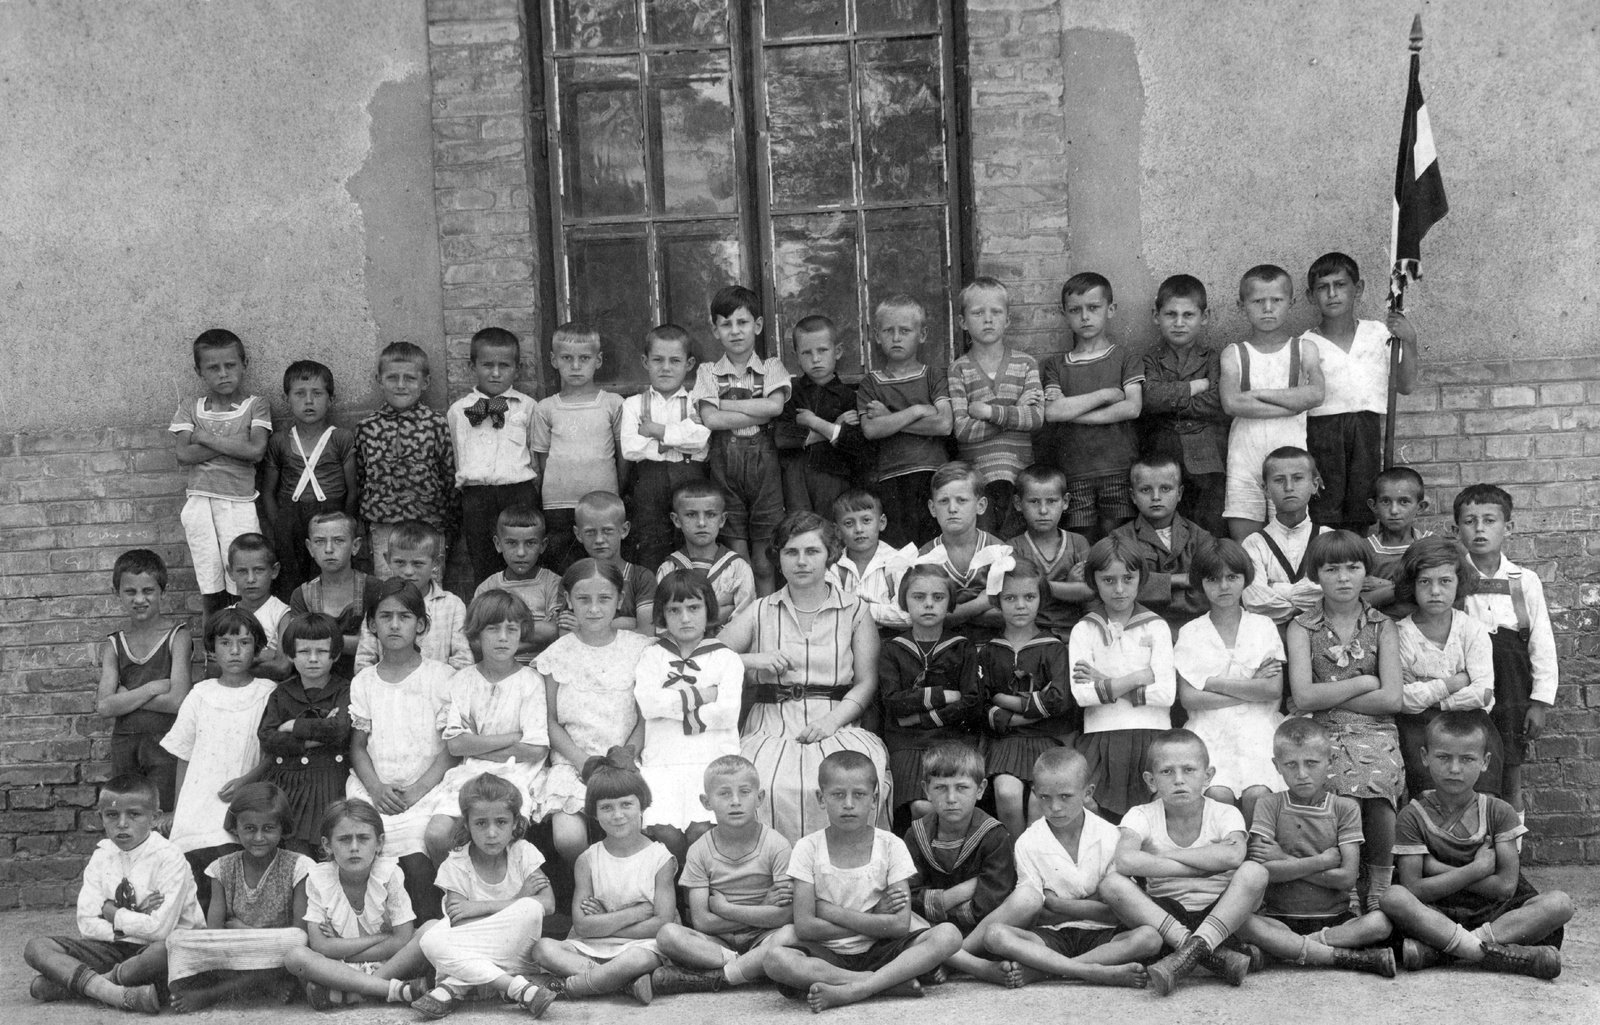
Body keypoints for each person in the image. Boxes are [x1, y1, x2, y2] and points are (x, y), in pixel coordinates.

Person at [720, 511, 892, 840]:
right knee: (765, 784)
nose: (801, 561)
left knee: (850, 785)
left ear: (830, 555)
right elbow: (706, 657)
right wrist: (754, 659)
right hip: (770, 725)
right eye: (791, 552)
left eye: (812, 552)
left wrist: (832, 722)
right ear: (779, 558)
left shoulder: (855, 610)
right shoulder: (759, 609)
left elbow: (866, 681)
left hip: (837, 722)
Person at [763, 750, 964, 1012]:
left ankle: (856, 990)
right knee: (775, 959)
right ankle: (879, 983)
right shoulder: (807, 848)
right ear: (820, 798)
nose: (848, 804)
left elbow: (899, 926)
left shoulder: (891, 845)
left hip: (881, 949)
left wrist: (828, 910)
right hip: (828, 954)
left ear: (874, 799)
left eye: (859, 794)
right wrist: (873, 918)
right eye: (837, 794)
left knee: (948, 935)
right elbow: (805, 927)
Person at [1381, 712, 1572, 978]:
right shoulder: (1412, 816)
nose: (1455, 768)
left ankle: (1447, 951)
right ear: (1425, 757)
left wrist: (1436, 868)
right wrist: (1477, 869)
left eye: (1467, 759)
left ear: (1485, 762)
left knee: (1560, 903)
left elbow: (1505, 887)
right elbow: (1415, 889)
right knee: (1393, 898)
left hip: (1495, 915)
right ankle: (1492, 954)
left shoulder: (1499, 811)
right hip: (1436, 913)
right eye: (1443, 757)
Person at [1286, 530, 1403, 914]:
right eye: (1331, 568)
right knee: (1339, 788)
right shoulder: (1302, 627)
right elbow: (1303, 696)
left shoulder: (1382, 625)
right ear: (1316, 575)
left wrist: (1334, 691)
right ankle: (1347, 884)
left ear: (1365, 572)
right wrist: (1364, 681)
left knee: (1380, 782)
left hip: (1376, 728)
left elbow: (1393, 698)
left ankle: (1380, 887)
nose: (1343, 577)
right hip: (1323, 730)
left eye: (1352, 567)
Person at [1099, 730, 1267, 996]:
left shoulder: (1225, 812)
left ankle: (1190, 952)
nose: (1179, 780)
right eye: (1167, 772)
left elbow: (1234, 855)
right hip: (1165, 916)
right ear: (1151, 781)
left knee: (1255, 871)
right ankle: (1203, 951)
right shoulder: (1141, 814)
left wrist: (1162, 857)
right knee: (1111, 883)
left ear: (1207, 776)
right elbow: (1125, 859)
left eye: (1189, 770)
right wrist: (1202, 867)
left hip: (1219, 912)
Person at [979, 748, 1160, 989]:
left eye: (1065, 796)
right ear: (1034, 793)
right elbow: (1036, 912)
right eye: (1045, 797)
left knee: (1150, 938)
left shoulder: (1110, 835)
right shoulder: (1028, 842)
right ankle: (1090, 971)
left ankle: (1046, 971)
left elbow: (1115, 912)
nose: (1055, 807)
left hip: (1103, 935)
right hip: (1051, 935)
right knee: (995, 935)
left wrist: (1058, 904)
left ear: (1088, 793)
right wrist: (1090, 903)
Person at [23, 774, 203, 1014]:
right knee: (36, 947)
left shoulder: (169, 858)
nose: (122, 824)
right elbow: (86, 923)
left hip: (154, 956)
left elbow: (160, 930)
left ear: (155, 818)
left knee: (164, 949)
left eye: (134, 814)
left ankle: (82, 985)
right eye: (112, 815)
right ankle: (115, 993)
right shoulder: (101, 856)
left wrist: (112, 913)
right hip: (115, 948)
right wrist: (136, 918)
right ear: (101, 818)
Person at [1236, 718, 1395, 976]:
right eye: (1291, 765)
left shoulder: (1344, 808)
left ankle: (1289, 950)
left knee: (1381, 923)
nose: (1301, 774)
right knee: (1241, 922)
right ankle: (1322, 952)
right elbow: (1263, 872)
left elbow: (1347, 878)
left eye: (1311, 763)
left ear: (1330, 761)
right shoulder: (1268, 804)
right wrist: (1320, 862)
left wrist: (1283, 858)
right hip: (1279, 919)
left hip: (1334, 919)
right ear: (1277, 766)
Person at [346, 579, 458, 922]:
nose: (394, 625)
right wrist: (377, 789)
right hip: (375, 789)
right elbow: (358, 746)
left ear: (421, 625)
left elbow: (451, 749)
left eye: (405, 617)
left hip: (426, 789)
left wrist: (415, 792)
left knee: (417, 866)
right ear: (372, 625)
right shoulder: (364, 680)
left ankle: (426, 951)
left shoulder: (442, 676)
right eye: (385, 616)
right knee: (365, 858)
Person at [532, 753, 679, 1005]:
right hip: (591, 946)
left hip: (641, 946)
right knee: (543, 948)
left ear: (642, 806)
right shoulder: (588, 860)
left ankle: (582, 984)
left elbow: (661, 923)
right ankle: (624, 982)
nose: (617, 815)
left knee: (637, 960)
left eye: (626, 805)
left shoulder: (660, 858)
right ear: (594, 814)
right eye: (606, 808)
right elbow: (583, 926)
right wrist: (634, 913)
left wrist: (604, 921)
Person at [535, 558, 655, 866]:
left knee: (633, 826)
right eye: (583, 599)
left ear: (620, 600)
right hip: (575, 763)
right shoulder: (556, 655)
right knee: (568, 837)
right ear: (568, 600)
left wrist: (628, 753)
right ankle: (586, 889)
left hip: (627, 759)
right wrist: (581, 761)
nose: (593, 609)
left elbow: (646, 715)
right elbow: (548, 720)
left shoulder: (641, 649)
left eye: (604, 599)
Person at [413, 773, 559, 1019]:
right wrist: (520, 898)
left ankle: (455, 986)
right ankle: (516, 987)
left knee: (530, 909)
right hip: (477, 948)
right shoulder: (457, 862)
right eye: (481, 823)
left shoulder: (523, 853)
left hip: (514, 949)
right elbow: (460, 922)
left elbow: (547, 905)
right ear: (467, 824)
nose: (491, 833)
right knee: (429, 939)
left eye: (501, 822)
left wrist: (484, 906)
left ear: (514, 823)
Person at [421, 589, 551, 864]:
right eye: (493, 629)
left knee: (499, 839)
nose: (503, 638)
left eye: (511, 629)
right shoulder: (463, 681)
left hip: (515, 777)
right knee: (436, 835)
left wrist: (477, 743)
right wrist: (513, 738)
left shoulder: (530, 681)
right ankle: (452, 891)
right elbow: (456, 745)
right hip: (470, 775)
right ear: (477, 634)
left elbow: (535, 750)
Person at [649, 755, 794, 996]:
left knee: (791, 934)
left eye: (745, 792)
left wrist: (726, 909)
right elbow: (702, 921)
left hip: (765, 937)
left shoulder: (777, 845)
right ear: (706, 802)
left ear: (760, 798)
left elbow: (786, 915)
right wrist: (762, 908)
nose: (735, 802)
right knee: (667, 935)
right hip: (719, 942)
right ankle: (750, 967)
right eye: (724, 794)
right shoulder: (700, 850)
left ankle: (718, 978)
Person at [161, 608, 277, 903]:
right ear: (212, 650)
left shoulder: (267, 693)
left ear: (257, 648)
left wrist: (246, 782)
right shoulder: (200, 694)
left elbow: (273, 754)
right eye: (225, 643)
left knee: (232, 865)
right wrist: (177, 809)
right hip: (198, 800)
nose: (235, 651)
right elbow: (184, 755)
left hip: (241, 798)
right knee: (194, 873)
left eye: (244, 643)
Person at [165, 783, 313, 1012]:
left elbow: (300, 933)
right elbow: (215, 934)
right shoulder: (221, 869)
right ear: (235, 828)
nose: (259, 837)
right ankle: (262, 984)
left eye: (269, 828)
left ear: (283, 828)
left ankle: (212, 994)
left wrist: (247, 930)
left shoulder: (299, 866)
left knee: (296, 943)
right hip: (234, 952)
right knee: (176, 941)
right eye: (250, 828)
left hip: (278, 953)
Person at [1456, 483, 1558, 814]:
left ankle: (1510, 857)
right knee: (1468, 770)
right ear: (1456, 528)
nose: (1480, 528)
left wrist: (1540, 703)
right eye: (1470, 521)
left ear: (1508, 527)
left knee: (1510, 775)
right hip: (1467, 686)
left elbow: (1542, 643)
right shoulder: (1451, 579)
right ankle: (1472, 853)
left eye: (1490, 520)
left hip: (1512, 687)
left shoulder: (1523, 580)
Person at [1302, 252, 1421, 533]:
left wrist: (1410, 340)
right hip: (1322, 430)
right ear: (1311, 296)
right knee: (1324, 504)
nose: (1332, 294)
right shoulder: (1306, 343)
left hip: (1365, 428)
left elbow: (1405, 385)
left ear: (1359, 289)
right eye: (1323, 287)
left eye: (1341, 285)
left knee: (1362, 501)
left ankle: (1358, 561)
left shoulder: (1378, 333)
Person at [633, 570, 745, 862]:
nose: (685, 618)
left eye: (693, 608)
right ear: (662, 614)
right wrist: (700, 696)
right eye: (674, 610)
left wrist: (671, 706)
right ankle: (673, 896)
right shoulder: (652, 656)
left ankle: (698, 895)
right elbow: (648, 704)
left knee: (700, 831)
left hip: (710, 758)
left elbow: (726, 713)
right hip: (663, 760)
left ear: (708, 608)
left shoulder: (726, 659)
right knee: (667, 834)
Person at [1174, 538, 1285, 825]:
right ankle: (1224, 862)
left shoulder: (1263, 626)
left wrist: (1212, 682)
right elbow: (1190, 699)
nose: (1223, 586)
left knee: (1258, 793)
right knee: (1217, 794)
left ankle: (1257, 861)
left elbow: (1272, 690)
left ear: (1245, 578)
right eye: (1213, 579)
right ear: (1200, 582)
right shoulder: (1191, 632)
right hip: (1209, 731)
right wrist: (1251, 688)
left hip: (1258, 729)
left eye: (1232, 577)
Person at [281, 799, 431, 1009]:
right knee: (295, 957)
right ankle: (390, 990)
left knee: (431, 929)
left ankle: (350, 993)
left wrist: (340, 947)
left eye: (363, 838)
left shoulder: (389, 874)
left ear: (379, 843)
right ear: (327, 845)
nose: (354, 847)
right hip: (338, 968)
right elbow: (320, 946)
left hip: (390, 964)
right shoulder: (318, 879)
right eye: (344, 839)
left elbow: (403, 939)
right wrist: (382, 937)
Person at [692, 284, 791, 594]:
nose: (735, 331)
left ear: (757, 326)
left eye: (742, 322)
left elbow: (774, 407)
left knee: (764, 561)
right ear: (715, 329)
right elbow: (712, 420)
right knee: (739, 557)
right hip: (725, 467)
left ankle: (766, 621)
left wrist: (723, 402)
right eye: (726, 323)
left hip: (765, 468)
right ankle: (743, 627)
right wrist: (757, 411)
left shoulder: (771, 367)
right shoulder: (708, 371)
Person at [1069, 536, 1175, 822]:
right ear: (1094, 581)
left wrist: (1103, 680)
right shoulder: (1084, 630)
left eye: (1128, 578)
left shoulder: (1156, 626)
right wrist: (1139, 677)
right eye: (1108, 580)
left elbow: (1166, 694)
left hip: (1151, 735)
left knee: (1150, 818)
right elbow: (1082, 695)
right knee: (1096, 814)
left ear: (1140, 578)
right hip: (1100, 736)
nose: (1119, 589)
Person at [169, 328, 271, 613]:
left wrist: (205, 437)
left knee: (244, 575)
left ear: (244, 364)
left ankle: (250, 641)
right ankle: (215, 651)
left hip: (238, 501)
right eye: (213, 368)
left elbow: (255, 451)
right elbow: (183, 454)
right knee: (209, 575)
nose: (223, 374)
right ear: (199, 371)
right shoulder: (191, 407)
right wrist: (233, 443)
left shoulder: (256, 405)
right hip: (200, 500)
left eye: (230, 365)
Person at [1220, 265, 1326, 541]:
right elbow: (1231, 404)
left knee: (1293, 543)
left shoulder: (1304, 348)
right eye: (1257, 301)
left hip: (1290, 464)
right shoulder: (1234, 353)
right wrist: (1293, 403)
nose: (1268, 308)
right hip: (1245, 460)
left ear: (1291, 303)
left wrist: (1255, 396)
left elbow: (1315, 395)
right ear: (1241, 305)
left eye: (1276, 300)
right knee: (1246, 547)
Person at [1393, 536, 1502, 798]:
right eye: (1425, 582)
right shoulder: (1400, 635)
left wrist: (1431, 695)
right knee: (1428, 794)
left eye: (1445, 581)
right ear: (1412, 585)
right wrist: (1452, 683)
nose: (1435, 591)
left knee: (1484, 782)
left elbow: (1483, 693)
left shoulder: (1472, 629)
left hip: (1471, 721)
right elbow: (1403, 699)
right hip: (1419, 725)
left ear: (1458, 583)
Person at [1042, 272, 1143, 542]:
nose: (1085, 316)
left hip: (1119, 470)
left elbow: (1132, 408)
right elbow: (1052, 412)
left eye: (1093, 308)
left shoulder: (1125, 358)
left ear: (1111, 310)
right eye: (1075, 310)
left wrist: (1073, 413)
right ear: (1064, 314)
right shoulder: (1056, 365)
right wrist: (1105, 394)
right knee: (1082, 544)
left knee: (1119, 542)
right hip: (1074, 473)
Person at [878, 565, 982, 828]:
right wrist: (943, 695)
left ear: (949, 603)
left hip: (952, 740)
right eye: (918, 597)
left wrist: (918, 717)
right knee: (922, 807)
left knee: (950, 805)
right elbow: (893, 702)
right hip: (907, 744)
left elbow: (970, 702)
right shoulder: (893, 649)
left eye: (938, 598)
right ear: (904, 601)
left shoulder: (961, 646)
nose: (928, 604)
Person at [979, 559, 1076, 839]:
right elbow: (981, 702)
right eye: (1010, 598)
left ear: (1041, 598)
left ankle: (1035, 865)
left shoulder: (1053, 648)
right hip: (1005, 742)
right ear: (997, 601)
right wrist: (1025, 710)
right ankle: (1013, 864)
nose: (1020, 605)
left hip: (1046, 740)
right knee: (1006, 792)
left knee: (1039, 801)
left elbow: (1058, 700)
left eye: (1029, 597)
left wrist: (1005, 700)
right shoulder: (989, 650)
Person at [97, 549, 190, 820]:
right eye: (130, 592)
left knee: (163, 818)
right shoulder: (114, 643)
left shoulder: (178, 637)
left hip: (166, 744)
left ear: (163, 591)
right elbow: (104, 706)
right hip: (124, 745)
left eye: (148, 590)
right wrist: (151, 688)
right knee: (126, 817)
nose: (140, 599)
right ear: (117, 593)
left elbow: (178, 701)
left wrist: (125, 698)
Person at [949, 277, 1045, 537]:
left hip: (1020, 475)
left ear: (1008, 319)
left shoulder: (1026, 364)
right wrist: (1014, 410)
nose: (988, 319)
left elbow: (1036, 418)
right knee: (985, 547)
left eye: (996, 312)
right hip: (978, 479)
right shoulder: (959, 369)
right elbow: (963, 430)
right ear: (962, 322)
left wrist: (990, 412)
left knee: (1016, 547)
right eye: (978, 313)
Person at [448, 326, 542, 587]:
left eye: (505, 365)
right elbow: (458, 454)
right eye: (487, 365)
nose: (496, 373)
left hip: (518, 493)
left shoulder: (527, 406)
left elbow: (535, 453)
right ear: (472, 367)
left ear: (517, 369)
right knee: (482, 557)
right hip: (477, 496)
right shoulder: (459, 410)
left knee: (522, 558)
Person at [355, 341, 457, 580]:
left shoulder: (436, 424)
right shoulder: (367, 427)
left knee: (429, 586)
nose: (401, 386)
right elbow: (361, 477)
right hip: (384, 528)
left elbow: (450, 475)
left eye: (410, 378)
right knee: (388, 587)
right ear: (379, 380)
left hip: (428, 524)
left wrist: (448, 524)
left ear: (425, 383)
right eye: (392, 378)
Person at [857, 294, 952, 548]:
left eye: (905, 330)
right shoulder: (872, 382)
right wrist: (919, 409)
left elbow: (944, 424)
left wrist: (891, 418)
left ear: (921, 334)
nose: (896, 337)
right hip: (891, 479)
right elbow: (871, 429)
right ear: (877, 335)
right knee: (900, 551)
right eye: (888, 331)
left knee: (933, 548)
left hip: (932, 474)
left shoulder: (932, 375)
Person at [1140, 274, 1229, 537]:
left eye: (1188, 315)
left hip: (1207, 455)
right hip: (1163, 450)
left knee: (1209, 525)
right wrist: (1195, 387)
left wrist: (1169, 401)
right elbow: (1150, 398)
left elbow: (1218, 401)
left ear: (1205, 316)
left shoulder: (1213, 357)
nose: (1179, 323)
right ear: (1156, 316)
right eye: (1170, 314)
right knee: (1166, 527)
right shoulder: (1149, 359)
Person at [533, 322, 626, 573]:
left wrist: (614, 491)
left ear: (598, 360)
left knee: (603, 566)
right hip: (558, 504)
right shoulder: (545, 408)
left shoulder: (612, 403)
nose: (575, 366)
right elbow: (541, 460)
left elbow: (622, 455)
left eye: (584, 358)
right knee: (563, 566)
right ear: (553, 360)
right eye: (566, 358)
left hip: (603, 501)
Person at [258, 613, 353, 857]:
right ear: (290, 654)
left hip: (330, 780)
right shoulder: (282, 693)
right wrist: (319, 733)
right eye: (303, 652)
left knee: (329, 853)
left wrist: (293, 726)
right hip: (289, 782)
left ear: (335, 654)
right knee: (295, 855)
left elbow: (341, 730)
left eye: (321, 652)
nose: (313, 659)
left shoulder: (345, 690)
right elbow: (267, 737)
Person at [261, 360, 357, 596]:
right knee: (290, 581)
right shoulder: (280, 442)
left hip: (330, 514)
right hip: (289, 516)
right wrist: (280, 525)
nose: (309, 401)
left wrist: (346, 524)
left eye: (317, 393)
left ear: (330, 399)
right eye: (299, 394)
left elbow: (353, 490)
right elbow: (268, 492)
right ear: (286, 399)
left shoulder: (341, 438)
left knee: (327, 577)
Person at [905, 743, 1016, 944]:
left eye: (962, 787)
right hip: (928, 928)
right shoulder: (916, 834)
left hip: (977, 930)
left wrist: (937, 906)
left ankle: (957, 955)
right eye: (940, 788)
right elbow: (908, 896)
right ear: (926, 790)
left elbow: (992, 900)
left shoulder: (993, 834)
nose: (951, 798)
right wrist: (958, 894)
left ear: (980, 789)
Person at [621, 323, 711, 573]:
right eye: (658, 360)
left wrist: (655, 431)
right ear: (645, 361)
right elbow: (630, 448)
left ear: (689, 364)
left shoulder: (697, 400)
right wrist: (677, 436)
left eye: (675, 360)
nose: (666, 368)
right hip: (649, 480)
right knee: (651, 542)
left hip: (691, 478)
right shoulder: (633, 404)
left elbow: (699, 439)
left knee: (691, 541)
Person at [352, 520, 472, 672]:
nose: (408, 571)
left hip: (438, 692)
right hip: (388, 691)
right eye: (400, 562)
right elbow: (364, 660)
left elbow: (462, 662)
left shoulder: (451, 605)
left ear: (437, 562)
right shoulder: (379, 601)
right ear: (387, 559)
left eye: (417, 564)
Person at [777, 315, 867, 516]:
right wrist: (831, 427)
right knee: (800, 528)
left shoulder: (848, 397)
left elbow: (855, 444)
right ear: (797, 357)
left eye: (822, 351)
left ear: (838, 352)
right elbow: (781, 437)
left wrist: (812, 423)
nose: (815, 359)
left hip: (834, 477)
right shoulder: (791, 392)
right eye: (807, 353)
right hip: (796, 478)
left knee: (831, 530)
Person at [1111, 454, 1215, 626]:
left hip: (1193, 626)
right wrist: (1179, 580)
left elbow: (1209, 588)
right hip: (1139, 627)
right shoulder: (1120, 538)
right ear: (1133, 496)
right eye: (1145, 490)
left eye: (1165, 488)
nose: (1156, 497)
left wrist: (1150, 587)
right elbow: (1120, 587)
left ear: (1180, 493)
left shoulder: (1200, 537)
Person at [918, 461, 1011, 638]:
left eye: (961, 500)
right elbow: (926, 617)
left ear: (981, 505)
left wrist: (954, 613)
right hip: (945, 649)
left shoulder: (1000, 551)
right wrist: (984, 602)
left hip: (995, 647)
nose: (952, 509)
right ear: (932, 508)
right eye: (944, 501)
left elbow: (1011, 614)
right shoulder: (926, 555)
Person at [1241, 447, 1332, 625]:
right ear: (1266, 489)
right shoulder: (1254, 543)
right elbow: (1255, 601)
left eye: (1297, 478)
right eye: (1279, 480)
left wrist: (1275, 588)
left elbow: (1333, 592)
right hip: (1273, 634)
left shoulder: (1328, 537)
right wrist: (1304, 605)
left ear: (1314, 485)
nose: (1289, 487)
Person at [287, 510, 380, 681]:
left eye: (338, 541)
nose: (329, 549)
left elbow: (379, 645)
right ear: (310, 548)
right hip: (317, 682)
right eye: (320, 542)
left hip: (366, 681)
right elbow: (300, 645)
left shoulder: (373, 588)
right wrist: (351, 642)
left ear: (355, 546)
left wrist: (320, 640)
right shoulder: (303, 595)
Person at [1007, 464, 1094, 640]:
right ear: (1018, 503)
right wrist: (1069, 587)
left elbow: (1090, 591)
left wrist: (1040, 586)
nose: (1043, 510)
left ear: (1066, 502)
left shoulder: (1077, 542)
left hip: (1074, 632)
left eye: (1052, 501)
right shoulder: (1013, 547)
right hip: (1031, 634)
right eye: (1034, 501)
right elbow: (1019, 592)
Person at [656, 480, 757, 624]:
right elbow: (662, 623)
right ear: (677, 520)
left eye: (710, 515)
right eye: (691, 515)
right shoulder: (669, 569)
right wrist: (718, 614)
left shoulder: (737, 567)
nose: (701, 523)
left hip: (727, 644)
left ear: (722, 520)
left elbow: (746, 621)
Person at [472, 505, 563, 661]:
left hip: (541, 669)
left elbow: (556, 631)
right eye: (512, 543)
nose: (521, 552)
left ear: (543, 545)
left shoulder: (553, 583)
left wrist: (499, 633)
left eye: (530, 543)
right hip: (499, 671)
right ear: (498, 544)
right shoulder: (487, 587)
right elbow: (475, 640)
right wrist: (539, 638)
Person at [564, 491, 655, 633]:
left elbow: (647, 633)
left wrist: (586, 628)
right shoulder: (572, 578)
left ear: (624, 530)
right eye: (590, 532)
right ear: (578, 534)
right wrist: (623, 624)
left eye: (607, 531)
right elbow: (565, 634)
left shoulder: (641, 577)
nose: (599, 540)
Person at [828, 488, 915, 632]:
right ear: (837, 531)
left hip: (889, 641)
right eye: (849, 523)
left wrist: (857, 608)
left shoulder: (897, 561)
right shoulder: (834, 566)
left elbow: (908, 615)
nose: (859, 529)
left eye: (866, 520)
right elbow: (831, 613)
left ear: (881, 522)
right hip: (845, 642)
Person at [1361, 465, 1433, 616]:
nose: (1394, 510)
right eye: (1386, 502)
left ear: (1420, 507)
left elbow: (1437, 594)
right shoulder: (1364, 549)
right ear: (1373, 506)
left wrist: (1388, 586)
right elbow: (1359, 602)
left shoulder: (1431, 545)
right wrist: (1416, 588)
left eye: (1404, 502)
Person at [222, 533, 293, 682]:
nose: (250, 579)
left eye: (259, 570)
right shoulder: (225, 616)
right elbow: (212, 668)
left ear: (274, 571)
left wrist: (234, 665)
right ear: (230, 573)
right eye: (242, 571)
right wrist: (261, 656)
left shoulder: (282, 613)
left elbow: (282, 667)